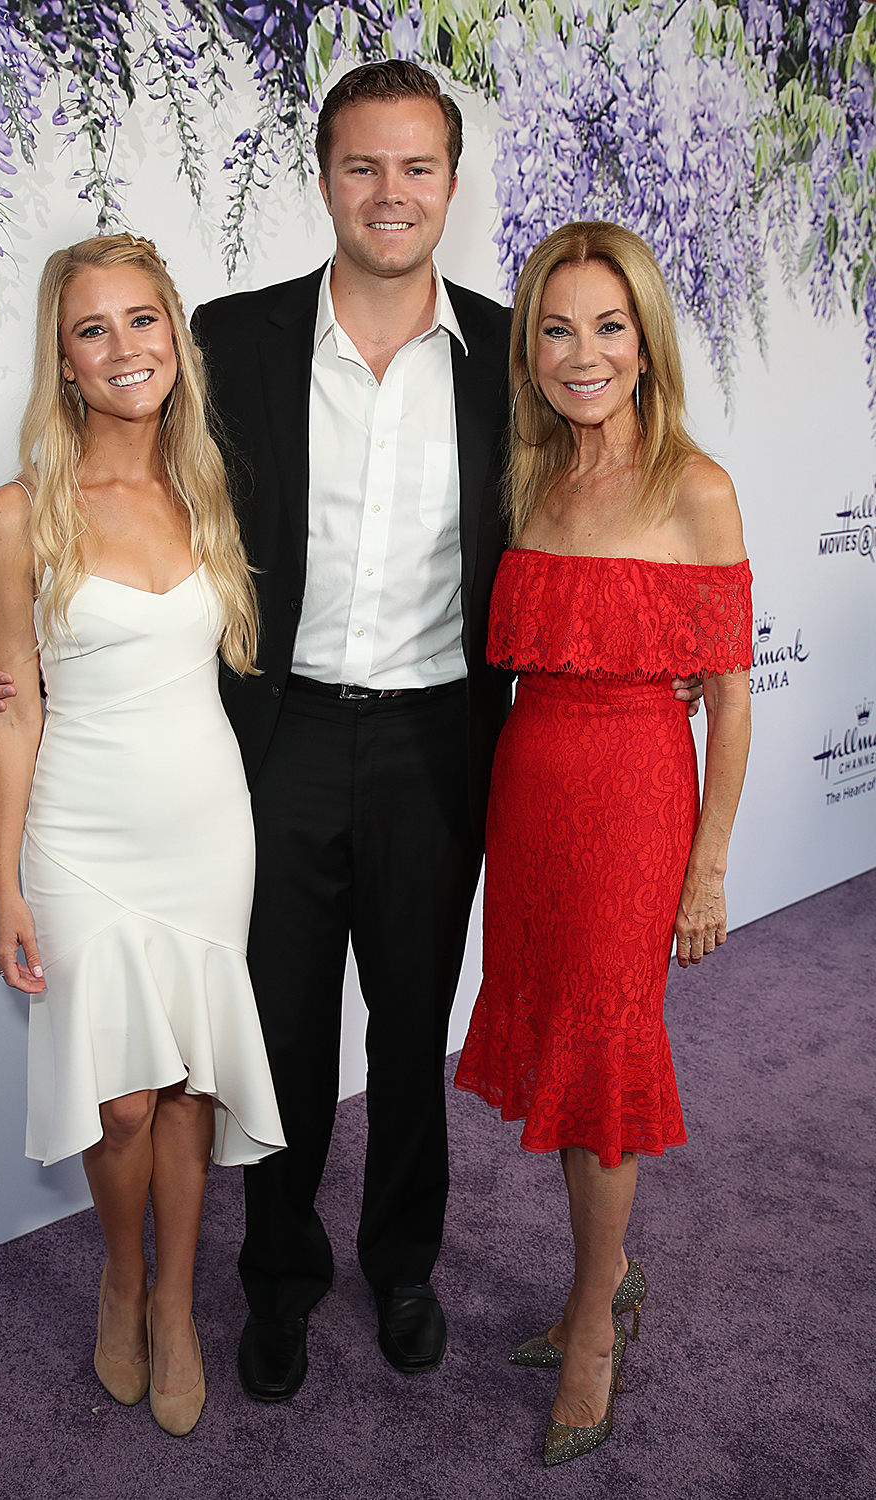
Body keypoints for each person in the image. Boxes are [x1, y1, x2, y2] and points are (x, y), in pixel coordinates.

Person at [0, 64, 702, 1405]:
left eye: (416, 169)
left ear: (451, 186)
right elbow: (125, 490)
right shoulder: (229, 344)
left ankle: (404, 1265)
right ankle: (278, 1279)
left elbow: (614, 495)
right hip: (275, 739)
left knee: (411, 1023)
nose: (389, 194)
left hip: (441, 743)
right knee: (285, 1029)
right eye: (363, 167)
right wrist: (39, 645)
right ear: (323, 180)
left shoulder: (513, 364)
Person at [0, 233, 284, 1437]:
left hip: (207, 825)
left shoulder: (209, 490)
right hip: (79, 832)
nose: (123, 348)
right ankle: (119, 1271)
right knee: (121, 1101)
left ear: (175, 336)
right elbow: (16, 707)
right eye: (92, 329)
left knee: (190, 1080)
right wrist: (0, 878)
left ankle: (176, 1306)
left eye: (142, 321)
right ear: (61, 361)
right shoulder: (19, 515)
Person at [454, 221, 752, 1466]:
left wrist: (708, 863)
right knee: (561, 1060)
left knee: (607, 1064)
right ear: (530, 348)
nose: (582, 354)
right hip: (528, 792)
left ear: (646, 342)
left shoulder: (696, 488)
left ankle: (590, 1323)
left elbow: (730, 696)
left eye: (607, 327)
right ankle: (609, 1272)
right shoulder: (529, 479)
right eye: (557, 328)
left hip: (636, 801)